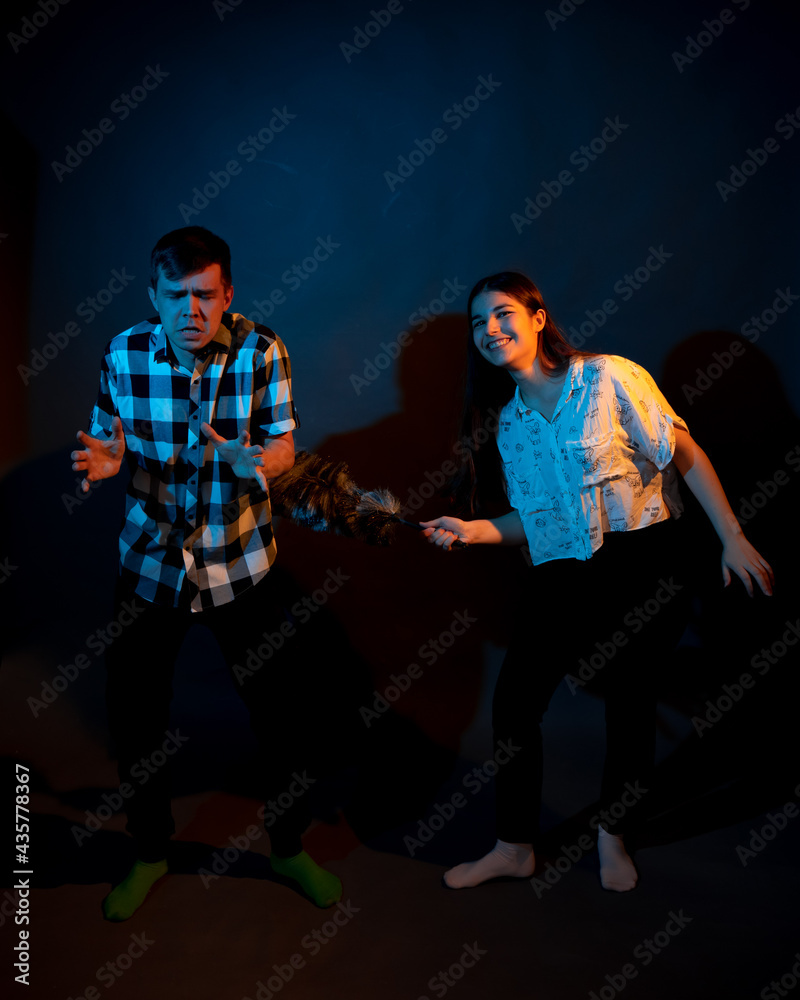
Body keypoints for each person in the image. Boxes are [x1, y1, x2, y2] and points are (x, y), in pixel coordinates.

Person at [421, 271, 774, 892]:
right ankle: (513, 847)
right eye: (478, 322)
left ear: (537, 318)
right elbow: (535, 520)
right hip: (562, 570)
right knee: (514, 706)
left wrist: (732, 535)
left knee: (629, 704)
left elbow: (684, 453)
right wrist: (473, 531)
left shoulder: (608, 377)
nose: (490, 330)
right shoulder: (511, 424)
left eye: (502, 313)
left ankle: (614, 833)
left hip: (641, 563)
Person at [71, 226, 342, 919]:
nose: (190, 310)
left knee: (282, 714)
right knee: (136, 718)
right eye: (175, 295)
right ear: (153, 295)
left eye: (204, 295)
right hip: (150, 564)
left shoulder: (262, 349)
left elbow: (283, 445)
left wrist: (263, 462)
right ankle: (150, 852)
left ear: (227, 296)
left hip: (240, 561)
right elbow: (108, 438)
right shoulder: (123, 353)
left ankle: (288, 847)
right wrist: (108, 460)